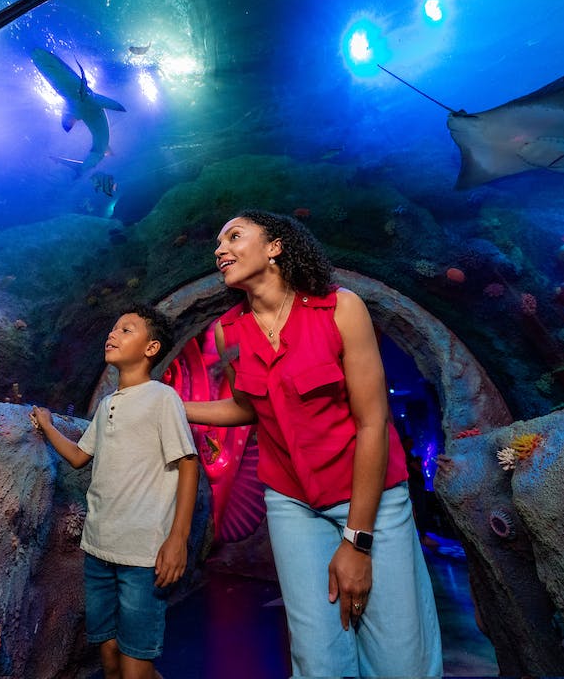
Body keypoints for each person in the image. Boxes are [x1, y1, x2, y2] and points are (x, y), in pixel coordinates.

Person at [184, 210, 442, 678]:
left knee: (398, 658)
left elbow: (372, 423)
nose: (219, 250)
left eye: (234, 237)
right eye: (217, 243)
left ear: (275, 246)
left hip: (372, 499)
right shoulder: (228, 332)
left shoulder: (341, 308)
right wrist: (175, 406)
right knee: (319, 657)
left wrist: (357, 541)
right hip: (292, 503)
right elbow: (248, 407)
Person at [31, 305, 199, 679]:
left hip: (144, 555)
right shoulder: (107, 404)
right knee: (108, 658)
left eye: (126, 330)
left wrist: (179, 539)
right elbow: (78, 456)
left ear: (151, 347)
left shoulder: (162, 398)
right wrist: (46, 424)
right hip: (98, 549)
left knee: (136, 664)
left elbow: (188, 463)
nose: (112, 335)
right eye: (112, 329)